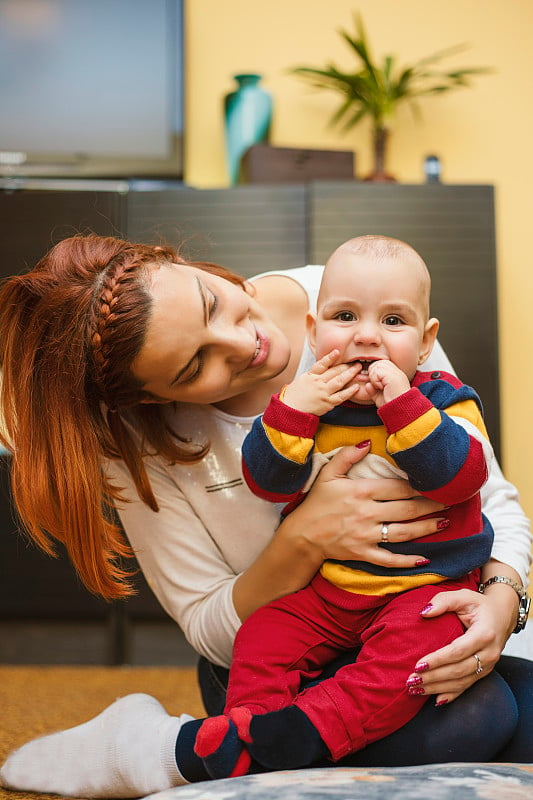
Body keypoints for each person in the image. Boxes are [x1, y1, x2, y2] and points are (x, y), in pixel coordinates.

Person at [0, 233, 531, 798]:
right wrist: (304, 539)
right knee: (483, 718)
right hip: (293, 638)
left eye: (211, 303)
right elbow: (210, 621)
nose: (241, 342)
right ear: (152, 398)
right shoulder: (137, 436)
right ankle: (158, 749)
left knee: (507, 714)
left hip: (416, 604)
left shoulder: (366, 298)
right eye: (193, 366)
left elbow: (484, 490)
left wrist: (503, 602)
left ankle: (208, 752)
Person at [191, 235, 496, 778]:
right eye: (345, 316)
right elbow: (269, 484)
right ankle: (247, 726)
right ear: (313, 331)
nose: (367, 336)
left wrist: (403, 406)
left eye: (394, 322)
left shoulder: (447, 398)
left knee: (414, 658)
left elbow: (462, 478)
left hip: (421, 592)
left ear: (426, 343)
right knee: (264, 633)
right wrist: (291, 411)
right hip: (329, 589)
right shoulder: (307, 403)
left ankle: (309, 730)